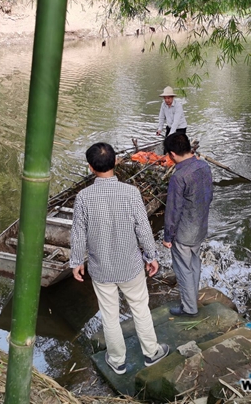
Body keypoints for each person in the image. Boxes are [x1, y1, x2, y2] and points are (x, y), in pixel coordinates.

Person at [70, 142, 170, 375]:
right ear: (115, 162)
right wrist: (151, 255)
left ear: (90, 168)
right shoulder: (131, 193)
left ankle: (117, 361)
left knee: (110, 315)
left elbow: (77, 232)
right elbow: (143, 229)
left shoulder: (83, 197)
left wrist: (76, 262)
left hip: (101, 268)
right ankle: (151, 353)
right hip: (131, 266)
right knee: (140, 308)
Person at [162, 133, 213, 317]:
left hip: (184, 232)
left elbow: (173, 211)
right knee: (194, 264)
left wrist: (168, 236)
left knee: (183, 269)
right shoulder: (204, 166)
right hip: (200, 226)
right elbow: (209, 196)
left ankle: (189, 308)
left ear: (173, 154)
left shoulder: (179, 176)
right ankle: (192, 300)